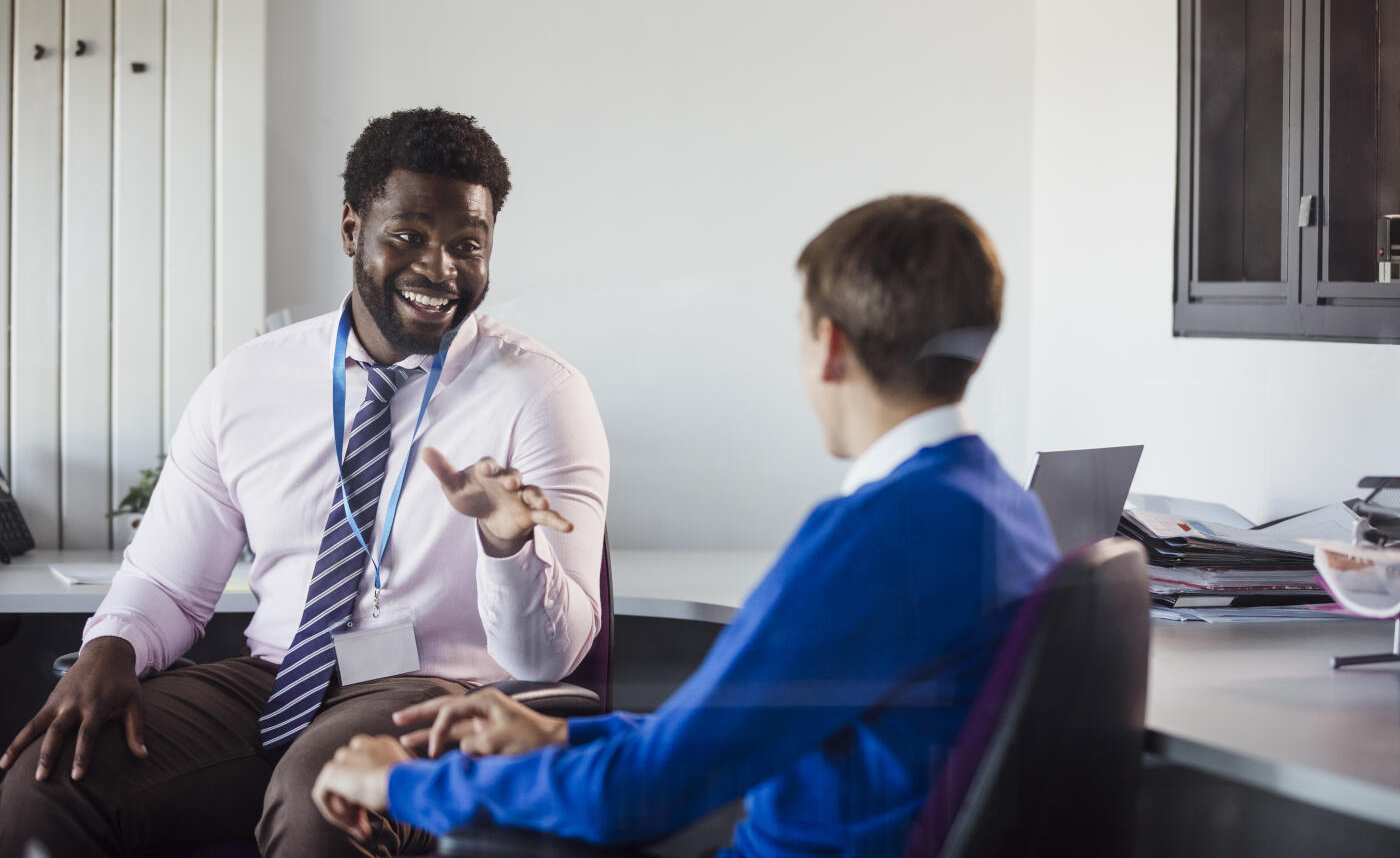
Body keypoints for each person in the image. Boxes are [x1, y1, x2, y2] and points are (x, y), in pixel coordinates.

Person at [311, 195, 1058, 856]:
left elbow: (640, 797)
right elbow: (722, 736)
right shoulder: (1001, 508)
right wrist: (564, 732)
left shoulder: (874, 538)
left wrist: (408, 785)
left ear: (829, 346)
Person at [0, 108, 610, 858]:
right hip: (276, 677)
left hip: (440, 691)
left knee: (325, 794)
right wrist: (111, 646)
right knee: (47, 781)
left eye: (467, 245)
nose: (441, 269)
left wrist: (505, 542)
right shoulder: (248, 382)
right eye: (409, 236)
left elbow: (547, 662)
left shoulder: (541, 396)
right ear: (353, 227)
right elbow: (167, 581)